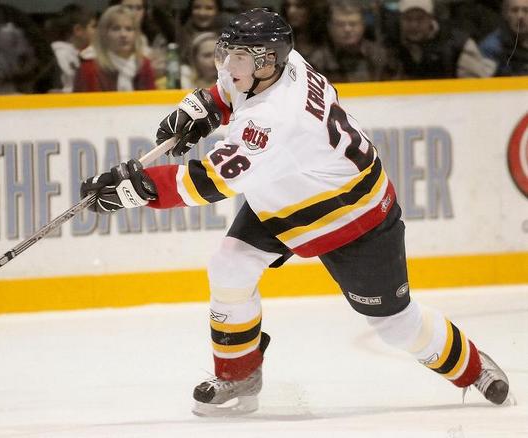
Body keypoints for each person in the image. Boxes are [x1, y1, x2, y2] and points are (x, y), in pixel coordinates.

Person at [79, 8, 511, 416]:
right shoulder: (282, 65)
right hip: (289, 192)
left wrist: (135, 189)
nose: (228, 64)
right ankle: (238, 374)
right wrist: (207, 107)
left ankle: (473, 369)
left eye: (239, 57)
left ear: (267, 61)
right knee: (230, 264)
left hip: (352, 215)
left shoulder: (278, 121)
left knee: (397, 325)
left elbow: (207, 182)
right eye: (228, 52)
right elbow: (232, 92)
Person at [393, 0, 496, 79]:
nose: (414, 25)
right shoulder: (392, 44)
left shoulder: (459, 46)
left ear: (431, 18)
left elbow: (479, 89)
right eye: (407, 19)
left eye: (420, 19)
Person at [309, 0, 400, 83]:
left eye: (353, 24)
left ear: (363, 25)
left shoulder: (381, 55)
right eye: (340, 24)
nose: (347, 29)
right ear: (329, 27)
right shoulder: (316, 62)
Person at [73, 5, 155, 92]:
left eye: (129, 29)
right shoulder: (89, 68)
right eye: (116, 29)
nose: (123, 35)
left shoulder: (144, 64)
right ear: (104, 34)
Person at [49, 4, 97, 92]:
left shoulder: (94, 53)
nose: (96, 31)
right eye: (93, 26)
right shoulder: (59, 56)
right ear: (78, 30)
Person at [479, 0, 528, 76]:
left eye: (526, 11)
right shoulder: (491, 47)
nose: (520, 16)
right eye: (514, 10)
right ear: (506, 15)